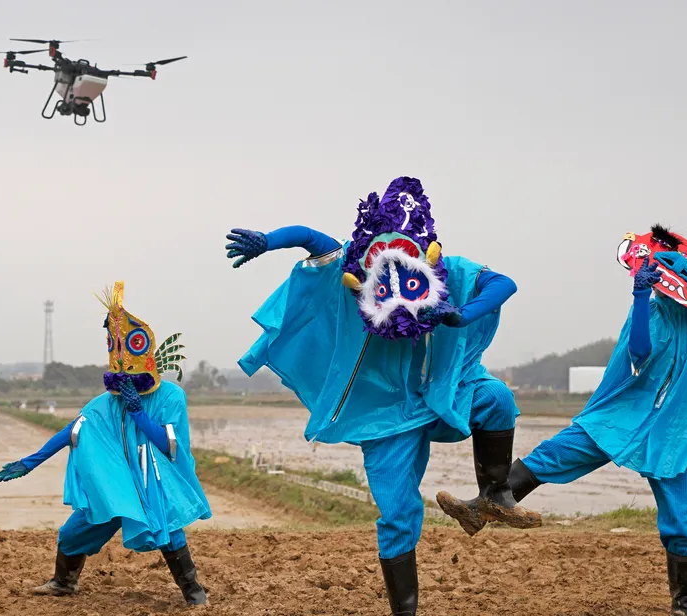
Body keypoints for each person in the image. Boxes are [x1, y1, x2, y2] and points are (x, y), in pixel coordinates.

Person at [437, 225, 687, 616]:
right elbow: (638, 351)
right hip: (626, 415)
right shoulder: (653, 309)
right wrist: (640, 297)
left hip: (679, 429)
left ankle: (684, 604)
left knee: (682, 523)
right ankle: (486, 505)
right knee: (555, 453)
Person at [226, 176, 539, 616]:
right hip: (383, 415)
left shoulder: (446, 268)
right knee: (397, 513)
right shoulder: (350, 268)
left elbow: (503, 283)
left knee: (498, 399)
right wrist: (269, 240)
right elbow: (311, 238)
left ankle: (492, 495)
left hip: (438, 394)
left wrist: (459, 315)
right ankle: (404, 610)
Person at [0, 282, 211, 607]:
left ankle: (195, 595)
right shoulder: (106, 402)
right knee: (71, 534)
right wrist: (31, 461)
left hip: (153, 483)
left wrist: (138, 413)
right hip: (113, 486)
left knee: (168, 532)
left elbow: (170, 446)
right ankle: (63, 582)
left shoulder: (170, 397)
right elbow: (76, 429)